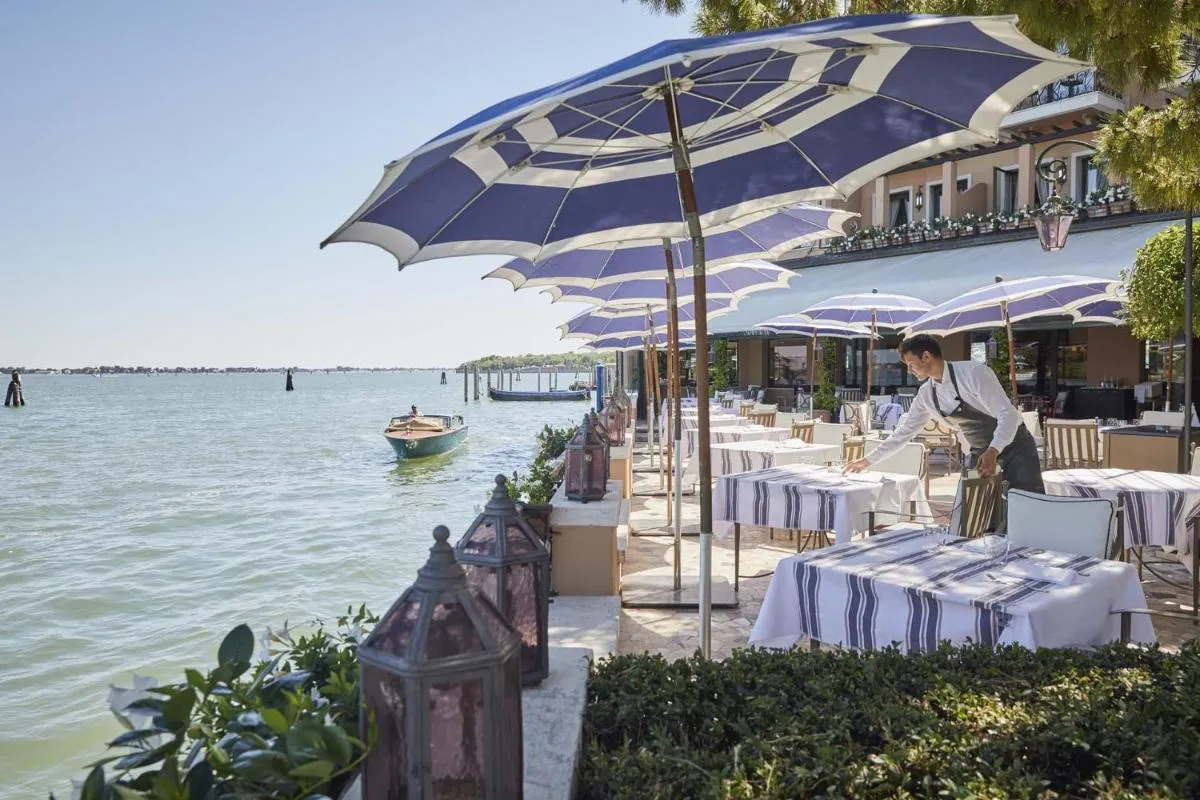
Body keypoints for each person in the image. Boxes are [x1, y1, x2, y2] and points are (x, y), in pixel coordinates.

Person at [846, 334, 1043, 493]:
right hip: (979, 454)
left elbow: (1008, 415)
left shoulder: (974, 373)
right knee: (974, 518)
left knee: (1025, 511)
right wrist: (867, 461)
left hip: (1017, 450)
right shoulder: (926, 395)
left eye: (910, 363)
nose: (909, 370)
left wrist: (994, 450)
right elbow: (903, 433)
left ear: (926, 356)